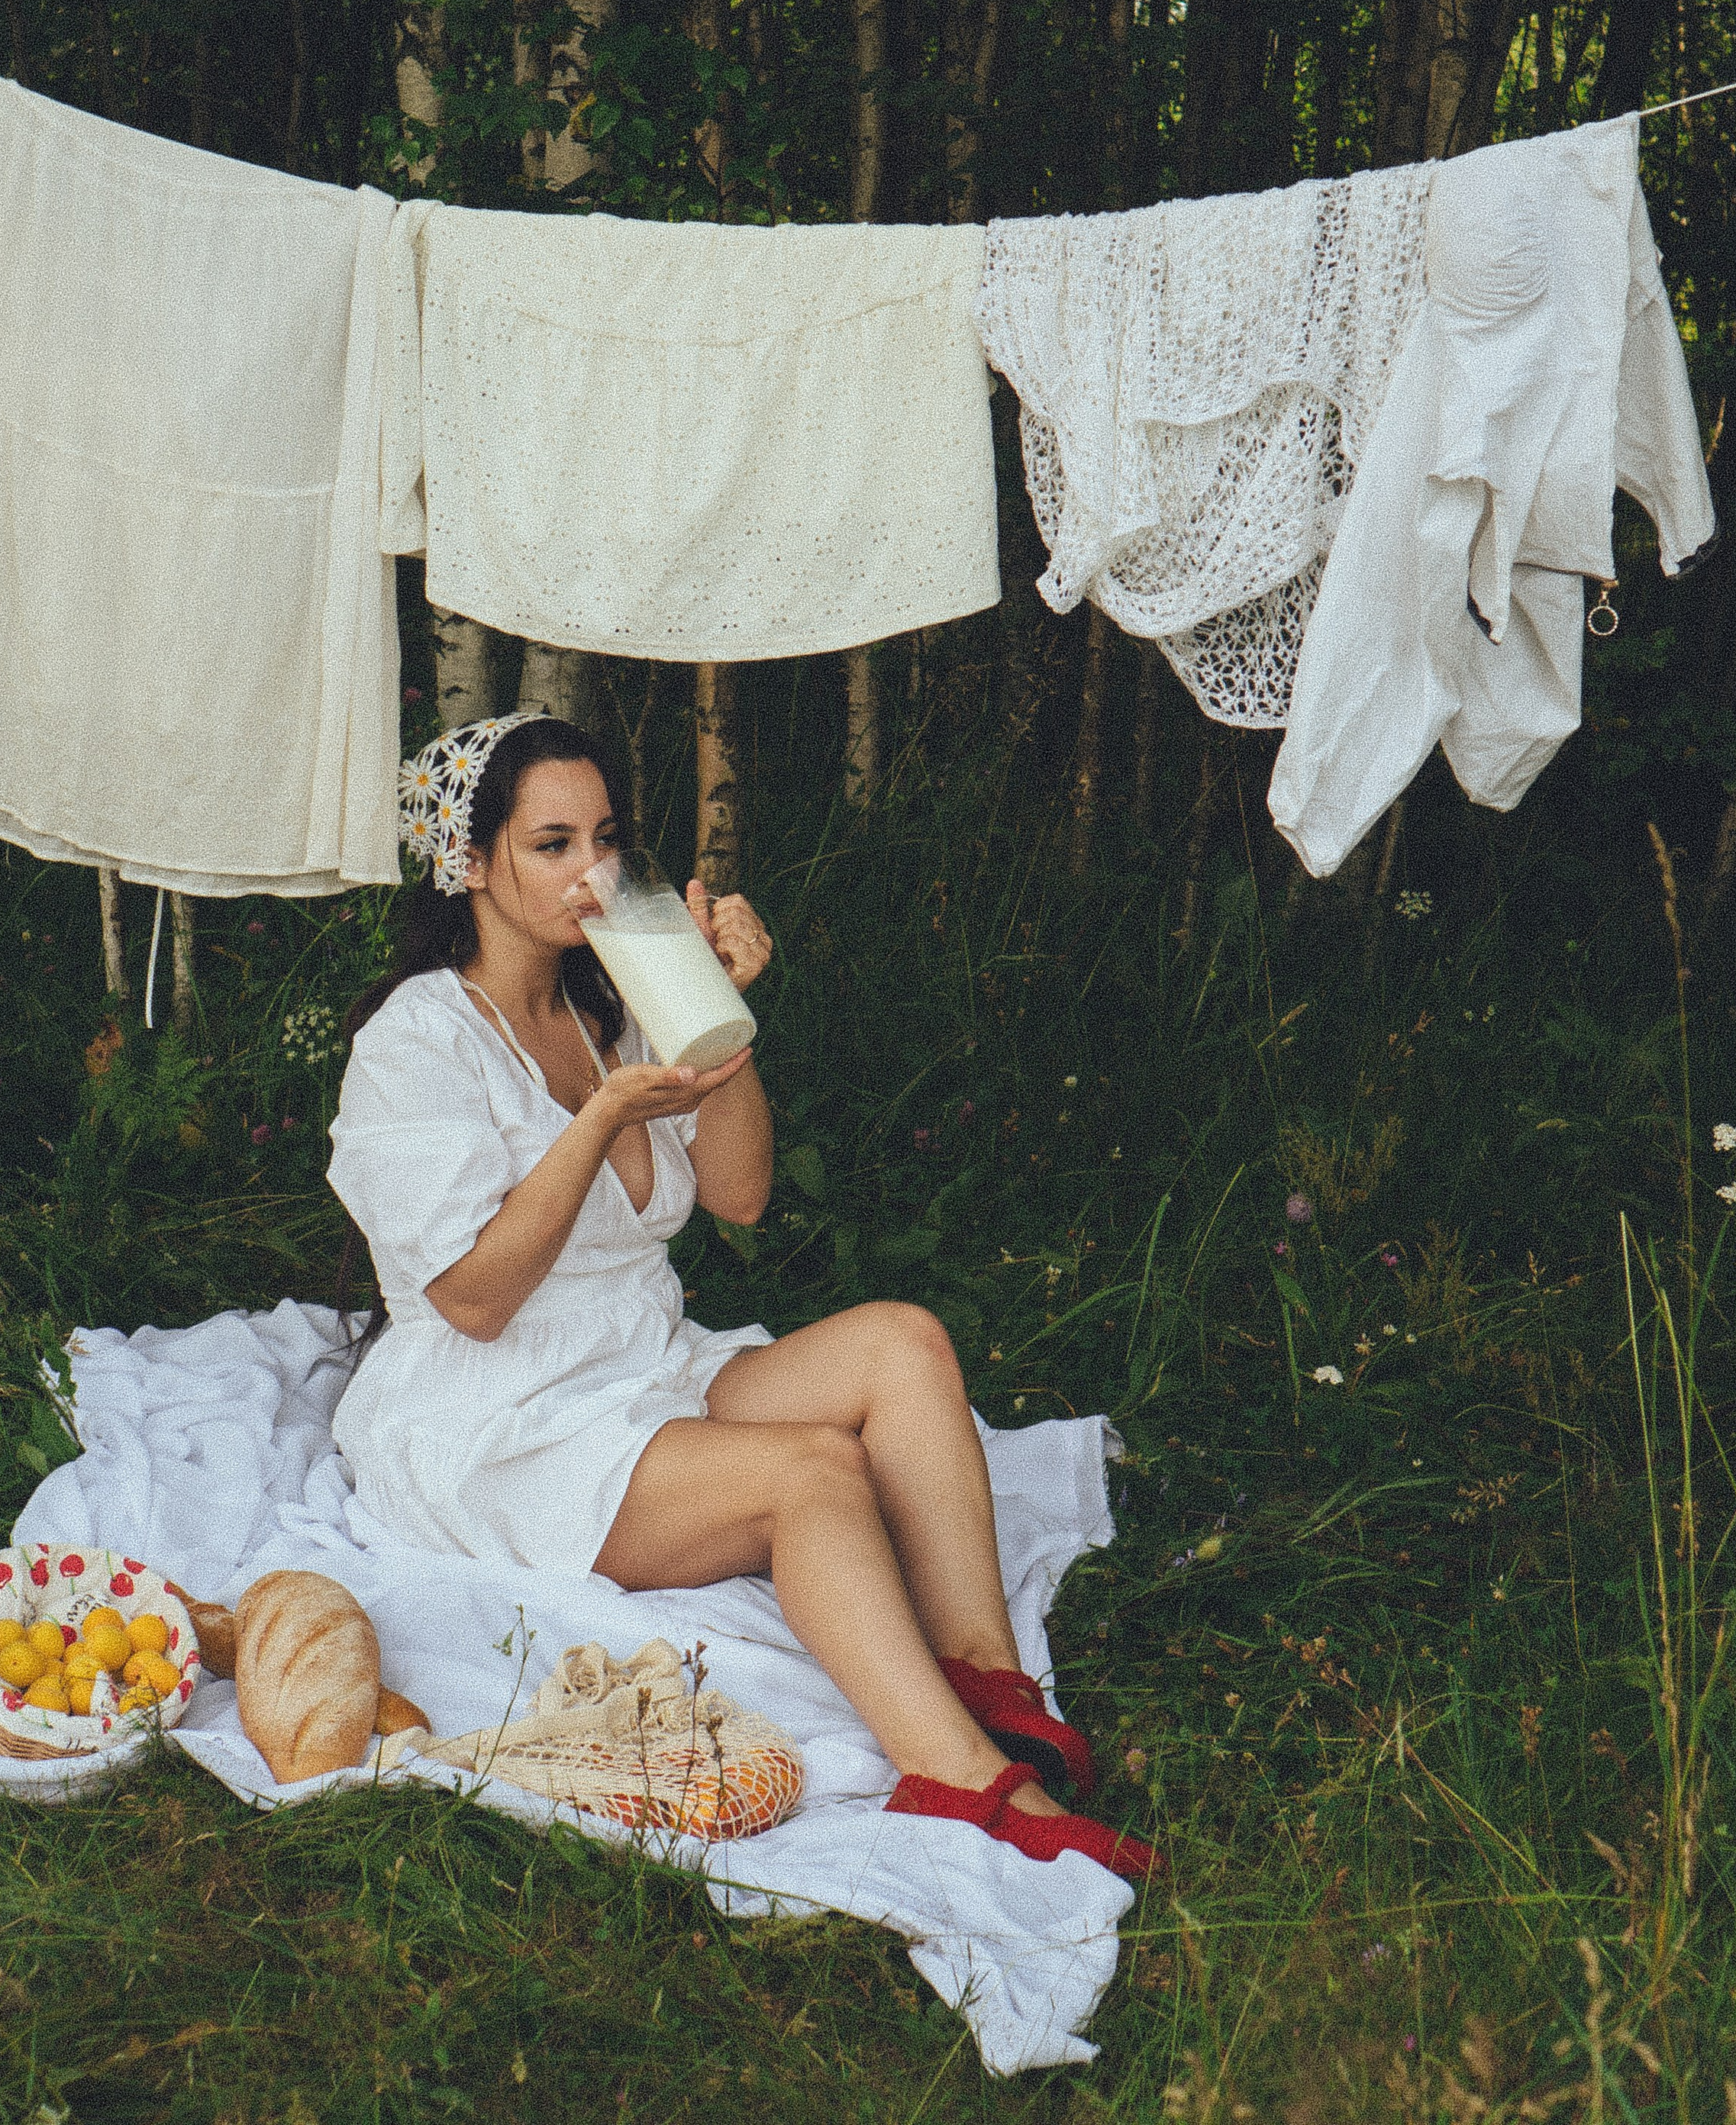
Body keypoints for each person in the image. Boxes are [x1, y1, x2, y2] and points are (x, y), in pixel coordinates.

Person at [328, 710, 1154, 1880]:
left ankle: (986, 1675)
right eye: (551, 844)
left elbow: (741, 1197)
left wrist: (718, 1019)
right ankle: (959, 1778)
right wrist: (606, 1117)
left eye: (606, 839)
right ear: (470, 866)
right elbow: (471, 1298)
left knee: (904, 1345)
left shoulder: (606, 1000)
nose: (592, 873)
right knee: (811, 1473)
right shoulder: (417, 1041)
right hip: (499, 1418)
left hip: (639, 1362)